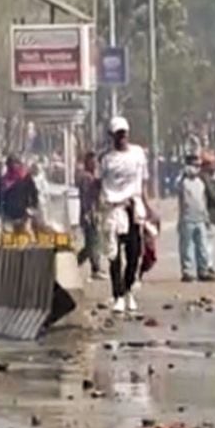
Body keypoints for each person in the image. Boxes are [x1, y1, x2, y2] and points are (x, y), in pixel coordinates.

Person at [99, 116, 150, 314]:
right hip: (113, 208)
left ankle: (129, 290)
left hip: (133, 207)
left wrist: (149, 207)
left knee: (134, 253)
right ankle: (118, 295)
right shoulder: (107, 159)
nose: (122, 138)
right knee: (114, 255)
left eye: (124, 134)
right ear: (112, 136)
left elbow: (143, 181)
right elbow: (98, 184)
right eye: (118, 134)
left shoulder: (138, 154)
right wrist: (95, 208)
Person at [176, 153, 215, 283]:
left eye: (198, 166)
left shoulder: (199, 182)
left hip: (200, 218)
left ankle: (203, 271)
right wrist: (183, 173)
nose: (196, 168)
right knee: (187, 247)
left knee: (202, 246)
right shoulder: (182, 181)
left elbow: (203, 200)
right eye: (194, 165)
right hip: (187, 219)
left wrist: (206, 217)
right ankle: (188, 272)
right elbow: (176, 187)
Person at [75, 151, 103, 279]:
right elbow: (86, 197)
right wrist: (88, 213)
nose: (95, 164)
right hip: (89, 213)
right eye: (93, 161)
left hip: (94, 212)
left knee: (94, 242)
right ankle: (93, 268)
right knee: (92, 243)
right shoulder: (86, 177)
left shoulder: (91, 177)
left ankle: (94, 267)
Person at [0, 157, 39, 234]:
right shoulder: (4, 179)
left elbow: (33, 192)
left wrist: (33, 206)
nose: (12, 166)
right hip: (9, 213)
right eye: (9, 164)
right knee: (9, 238)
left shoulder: (25, 177)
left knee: (24, 235)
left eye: (14, 164)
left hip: (23, 212)